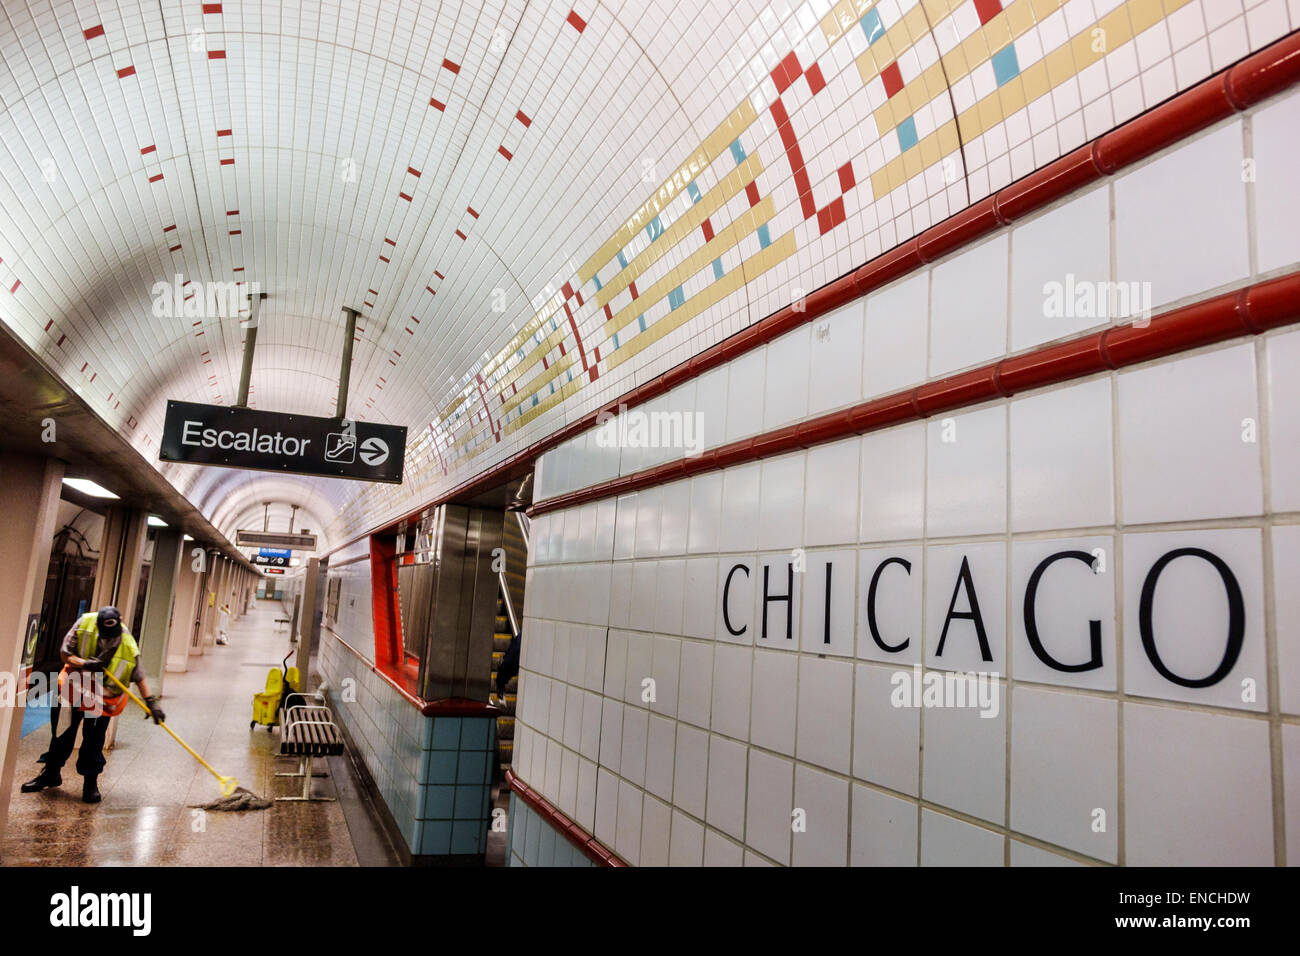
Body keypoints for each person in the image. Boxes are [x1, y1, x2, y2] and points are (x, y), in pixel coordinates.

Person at [21, 606, 164, 804]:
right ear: (98, 623)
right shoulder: (84, 623)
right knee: (61, 733)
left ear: (120, 622)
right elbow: (65, 654)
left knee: (94, 739)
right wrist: (86, 664)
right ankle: (50, 774)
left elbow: (139, 675)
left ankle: (90, 783)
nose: (109, 639)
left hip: (101, 697)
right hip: (74, 688)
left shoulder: (128, 644)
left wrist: (151, 702)